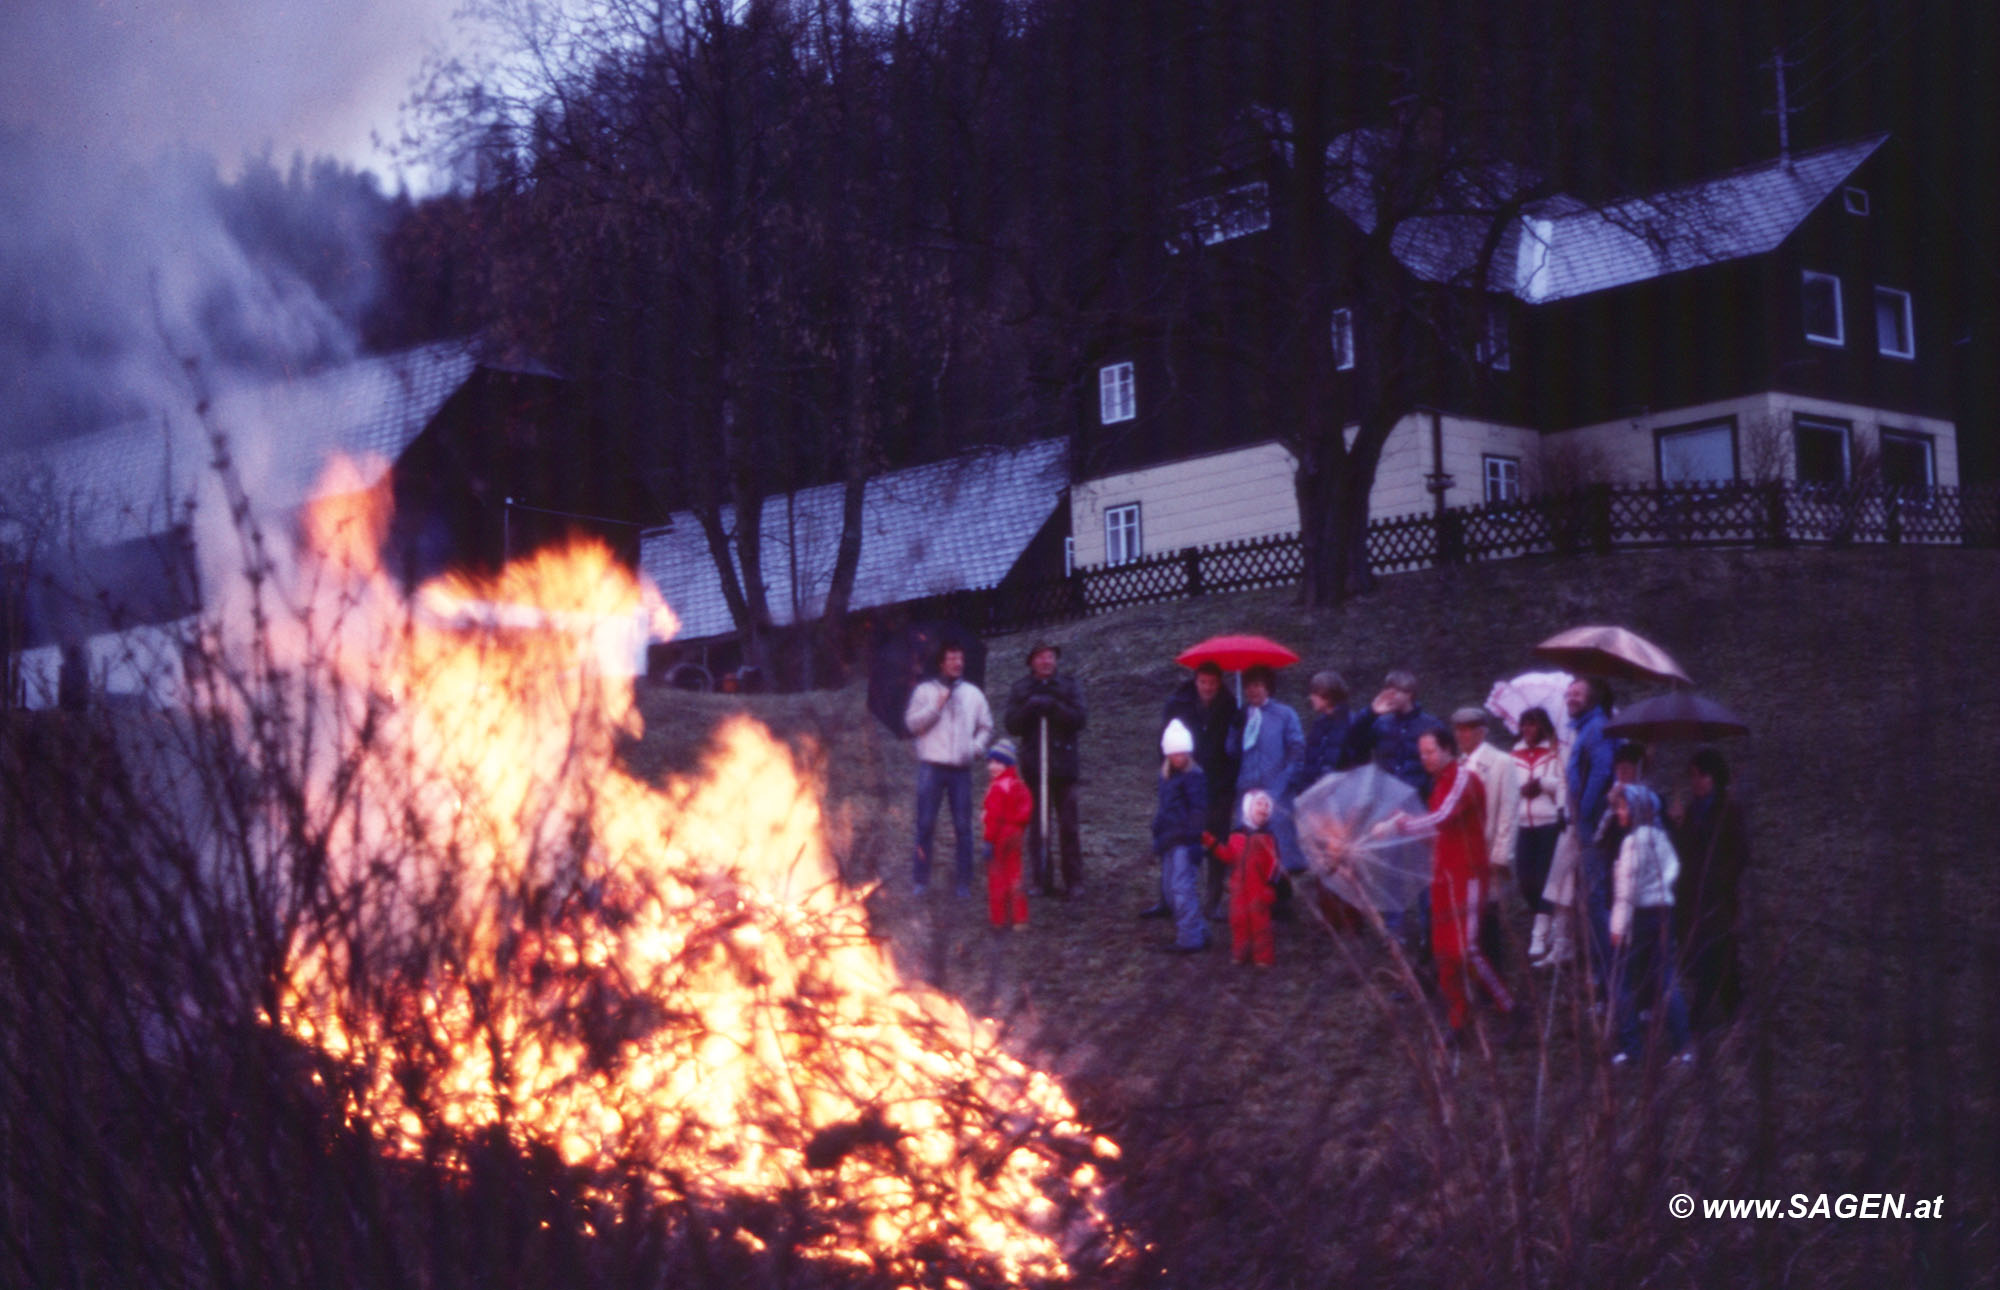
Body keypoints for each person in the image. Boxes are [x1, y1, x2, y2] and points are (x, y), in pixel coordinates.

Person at [1385, 730, 1517, 1035]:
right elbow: (1436, 831)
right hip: (1443, 875)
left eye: (1430, 752)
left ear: (1447, 749)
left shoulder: (1463, 779)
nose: (1425, 759)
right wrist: (1404, 824)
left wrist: (1402, 824)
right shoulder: (1440, 782)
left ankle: (1508, 1006)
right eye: (1421, 754)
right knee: (1443, 948)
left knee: (1467, 948)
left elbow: (1441, 817)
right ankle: (1459, 1016)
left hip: (1467, 874)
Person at [1609, 784, 1692, 1064]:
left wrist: (1617, 927)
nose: (1618, 812)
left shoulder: (1632, 843)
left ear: (1636, 810)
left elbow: (1626, 892)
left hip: (1641, 916)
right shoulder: (1660, 836)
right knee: (1666, 977)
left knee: (1620, 980)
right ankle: (1683, 1047)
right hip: (1665, 912)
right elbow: (1674, 868)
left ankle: (1632, 1047)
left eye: (1622, 807)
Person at [1668, 748, 1750, 1027]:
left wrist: (1718, 881)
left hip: (1719, 898)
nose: (1696, 782)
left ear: (1714, 777)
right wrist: (1678, 825)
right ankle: (1735, 1009)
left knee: (1716, 954)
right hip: (1693, 898)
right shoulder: (1692, 811)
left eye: (1701, 776)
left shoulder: (1729, 811)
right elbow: (1682, 853)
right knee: (1717, 957)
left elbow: (1740, 854)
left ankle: (1699, 1020)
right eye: (1692, 776)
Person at [903, 643, 993, 896]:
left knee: (964, 827)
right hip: (931, 767)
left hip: (960, 771)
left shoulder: (973, 694)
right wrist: (936, 706)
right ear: (941, 663)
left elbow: (987, 726)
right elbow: (911, 724)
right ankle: (921, 880)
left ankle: (963, 882)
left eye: (960, 658)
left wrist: (974, 748)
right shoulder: (924, 691)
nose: (957, 663)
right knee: (925, 824)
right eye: (952, 658)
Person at [1152, 661, 1239, 918]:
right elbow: (1164, 742)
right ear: (1195, 680)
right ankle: (1167, 900)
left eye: (1213, 683)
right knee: (1174, 838)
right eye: (1203, 682)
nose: (1208, 688)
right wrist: (1170, 776)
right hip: (1183, 782)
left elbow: (1234, 748)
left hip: (1218, 783)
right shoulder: (1177, 703)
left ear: (1219, 682)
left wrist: (1238, 723)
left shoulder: (1231, 706)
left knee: (1216, 842)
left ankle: (1213, 902)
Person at [1004, 641, 1088, 897]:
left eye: (1050, 657)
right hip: (1034, 767)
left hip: (1064, 765)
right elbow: (1012, 724)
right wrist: (1030, 707)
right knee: (1038, 827)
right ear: (1032, 662)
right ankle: (1041, 880)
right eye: (1041, 657)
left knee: (1068, 826)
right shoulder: (1021, 689)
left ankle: (1074, 881)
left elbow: (1080, 719)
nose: (1047, 661)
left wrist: (1053, 707)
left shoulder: (1069, 685)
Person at [1226, 665, 1306, 905]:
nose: (1253, 691)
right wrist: (1235, 728)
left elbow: (1297, 749)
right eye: (1249, 686)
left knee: (1279, 846)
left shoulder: (1284, 714)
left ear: (1267, 687)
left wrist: (1283, 782)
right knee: (1251, 847)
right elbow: (1231, 752)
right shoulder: (1242, 715)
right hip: (1248, 791)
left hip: (1277, 791)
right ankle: (1257, 897)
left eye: (1258, 685)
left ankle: (1282, 900)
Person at [1452, 707, 1518, 969]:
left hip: (1488, 851)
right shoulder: (1458, 764)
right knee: (1468, 916)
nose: (1461, 736)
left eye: (1467, 730)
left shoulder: (1502, 762)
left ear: (1482, 731)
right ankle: (1475, 971)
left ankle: (1494, 975)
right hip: (1464, 853)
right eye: (1458, 730)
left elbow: (1509, 811)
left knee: (1489, 917)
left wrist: (1501, 854)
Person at [1564, 676, 1618, 991]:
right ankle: (1602, 969)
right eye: (1569, 691)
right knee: (1592, 898)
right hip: (1584, 824)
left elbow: (1601, 770)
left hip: (1592, 827)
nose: (1571, 696)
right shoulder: (1584, 727)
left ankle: (1606, 975)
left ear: (1592, 698)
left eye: (1578, 692)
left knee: (1596, 900)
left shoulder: (1595, 727)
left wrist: (1583, 811)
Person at [1510, 707, 1567, 963]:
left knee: (1546, 878)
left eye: (1532, 725)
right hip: (1523, 822)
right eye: (1524, 725)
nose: (1527, 730)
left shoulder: (1555, 750)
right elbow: (1509, 784)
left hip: (1548, 822)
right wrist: (1520, 789)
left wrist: (1542, 784)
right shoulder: (1514, 752)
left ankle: (1541, 934)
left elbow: (1563, 784)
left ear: (1542, 726)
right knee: (1524, 878)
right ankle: (1546, 918)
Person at [1151, 719, 1210, 953]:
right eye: (1174, 752)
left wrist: (1195, 840)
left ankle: (1190, 938)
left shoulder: (1194, 777)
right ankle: (1200, 930)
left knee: (1181, 888)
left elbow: (1198, 810)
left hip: (1185, 841)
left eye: (1183, 752)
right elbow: (1165, 808)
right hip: (1169, 839)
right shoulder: (1165, 778)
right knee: (1170, 888)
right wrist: (1158, 829)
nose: (1179, 756)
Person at [1208, 790, 1282, 967]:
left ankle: (1263, 957)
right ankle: (1240, 953)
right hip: (1238, 888)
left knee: (1260, 922)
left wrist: (1270, 887)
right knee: (1238, 920)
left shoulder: (1268, 838)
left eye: (1267, 806)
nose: (1264, 808)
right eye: (1259, 804)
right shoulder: (1236, 835)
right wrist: (1211, 842)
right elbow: (1228, 856)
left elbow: (1275, 865)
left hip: (1259, 888)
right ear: (1248, 808)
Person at [1350, 669, 1449, 797]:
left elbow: (1444, 763)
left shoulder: (1431, 725)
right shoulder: (1381, 723)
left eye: (1395, 692)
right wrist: (1370, 713)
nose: (1389, 697)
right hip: (1385, 798)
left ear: (1409, 694)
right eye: (1387, 692)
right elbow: (1354, 743)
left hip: (1418, 799)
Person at [981, 739, 1033, 929]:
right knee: (1015, 874)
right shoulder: (1020, 785)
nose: (992, 767)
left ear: (1008, 764)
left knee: (997, 876)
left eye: (998, 762)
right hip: (1016, 835)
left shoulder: (996, 788)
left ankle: (998, 919)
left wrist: (988, 841)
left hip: (999, 837)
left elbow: (993, 818)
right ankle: (1020, 919)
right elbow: (1026, 810)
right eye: (991, 762)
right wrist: (1018, 825)